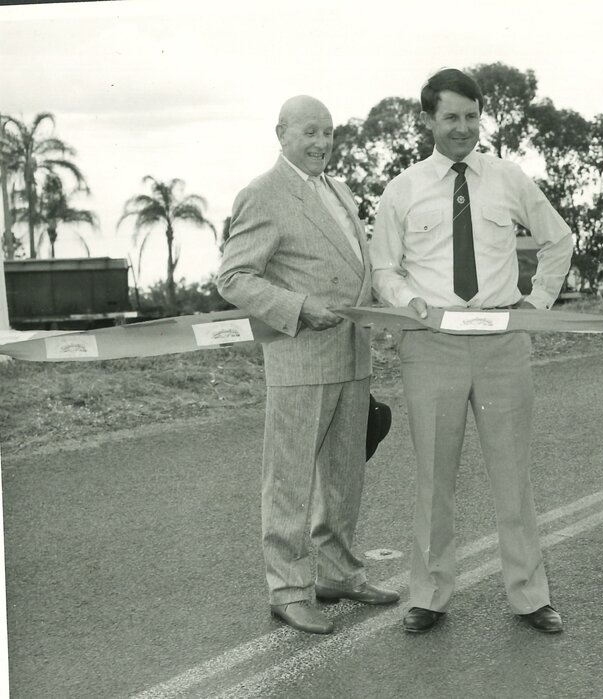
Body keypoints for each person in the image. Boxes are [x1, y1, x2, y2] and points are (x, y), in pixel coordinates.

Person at [370, 68, 574, 634]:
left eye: (471, 116)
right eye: (451, 117)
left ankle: (531, 596)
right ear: (427, 121)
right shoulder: (402, 189)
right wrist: (407, 299)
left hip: (503, 345)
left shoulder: (508, 178)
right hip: (430, 344)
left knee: (513, 474)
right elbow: (382, 265)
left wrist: (538, 304)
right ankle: (429, 595)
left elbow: (559, 239)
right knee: (434, 477)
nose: (463, 127)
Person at [216, 95, 399, 635]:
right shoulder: (262, 193)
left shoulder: (337, 189)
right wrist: (297, 307)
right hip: (299, 358)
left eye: (329, 133)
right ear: (281, 134)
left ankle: (339, 573)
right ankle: (289, 589)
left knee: (346, 477)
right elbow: (233, 278)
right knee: (290, 480)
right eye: (309, 133)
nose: (321, 143)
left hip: (351, 356)